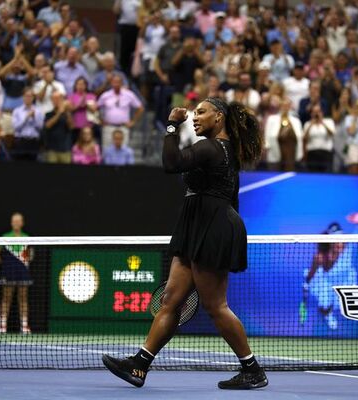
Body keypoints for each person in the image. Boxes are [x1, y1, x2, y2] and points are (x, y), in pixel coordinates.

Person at [102, 97, 266, 390]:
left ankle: (252, 370)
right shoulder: (223, 151)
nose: (195, 118)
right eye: (193, 114)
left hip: (211, 226)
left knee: (215, 305)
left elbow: (171, 163)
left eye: (201, 112)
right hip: (198, 224)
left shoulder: (212, 147)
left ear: (219, 117)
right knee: (170, 300)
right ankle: (139, 366)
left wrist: (171, 127)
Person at [304, 223, 356, 330]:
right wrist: (306, 283)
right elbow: (311, 273)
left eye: (341, 237)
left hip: (347, 282)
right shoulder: (320, 257)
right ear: (330, 241)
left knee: (345, 306)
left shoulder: (349, 248)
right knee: (324, 303)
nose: (339, 242)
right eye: (336, 238)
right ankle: (327, 313)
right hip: (328, 284)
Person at [0, 212, 34, 335]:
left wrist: (25, 261)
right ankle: (2, 326)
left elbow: (30, 254)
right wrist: (5, 264)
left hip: (23, 272)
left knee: (23, 299)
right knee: (6, 299)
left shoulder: (27, 238)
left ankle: (24, 326)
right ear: (11, 223)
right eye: (14, 221)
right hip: (8, 272)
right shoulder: (5, 237)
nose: (16, 223)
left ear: (22, 223)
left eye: (18, 221)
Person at [43, 91, 74, 163]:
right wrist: (59, 113)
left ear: (62, 100)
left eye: (58, 99)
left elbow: (71, 127)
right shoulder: (48, 114)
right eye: (54, 99)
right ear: (51, 101)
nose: (56, 101)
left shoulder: (67, 114)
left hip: (65, 148)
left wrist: (66, 112)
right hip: (52, 149)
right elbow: (47, 126)